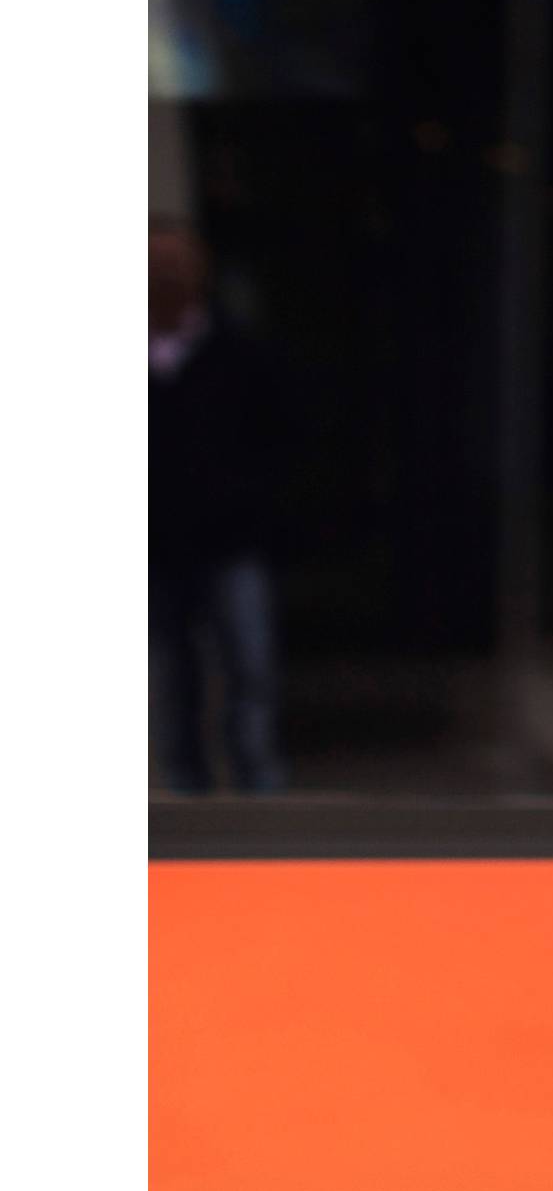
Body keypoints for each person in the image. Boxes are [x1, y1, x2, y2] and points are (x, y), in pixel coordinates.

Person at [150, 218, 285, 795]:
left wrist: (254, 507)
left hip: (232, 542)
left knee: (248, 673)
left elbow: (280, 439)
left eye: (178, 262)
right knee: (170, 679)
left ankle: (260, 791)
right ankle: (185, 799)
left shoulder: (236, 351)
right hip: (157, 548)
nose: (166, 274)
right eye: (156, 264)